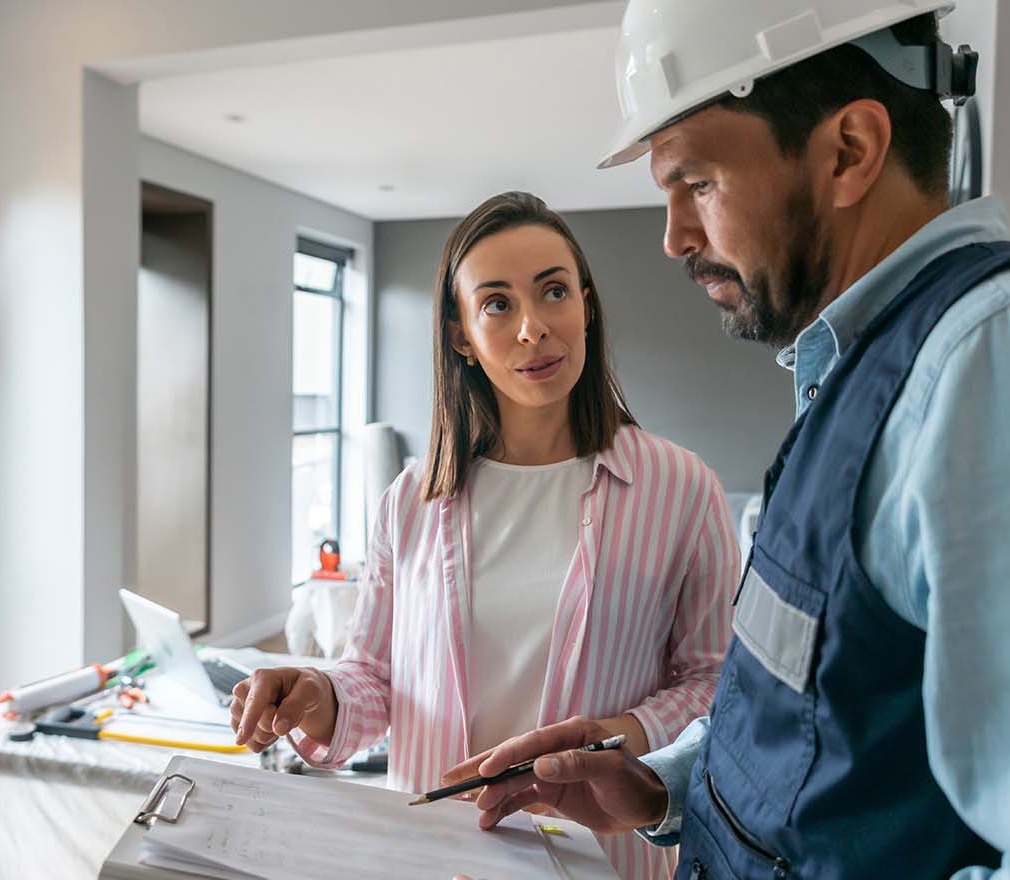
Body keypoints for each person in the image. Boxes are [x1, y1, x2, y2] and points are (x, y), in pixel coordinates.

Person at [451, 2, 1010, 878]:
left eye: (699, 183)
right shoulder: (864, 379)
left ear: (850, 151)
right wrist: (662, 785)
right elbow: (819, 717)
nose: (675, 236)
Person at [232, 192, 739, 879]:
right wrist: (313, 695)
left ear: (585, 304)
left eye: (554, 291)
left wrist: (614, 741)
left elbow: (713, 682)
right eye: (498, 304)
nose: (534, 328)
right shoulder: (410, 500)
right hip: (434, 859)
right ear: (460, 334)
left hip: (603, 862)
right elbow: (374, 678)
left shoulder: (682, 489)